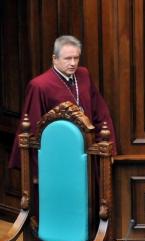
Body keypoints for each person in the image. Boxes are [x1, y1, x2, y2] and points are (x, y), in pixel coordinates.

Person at [9, 35, 117, 170]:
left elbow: (101, 113)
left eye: (76, 58)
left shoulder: (84, 75)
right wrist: (37, 171)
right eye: (67, 58)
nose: (73, 63)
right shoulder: (39, 85)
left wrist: (110, 147)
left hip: (88, 152)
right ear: (54, 59)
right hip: (58, 156)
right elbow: (32, 129)